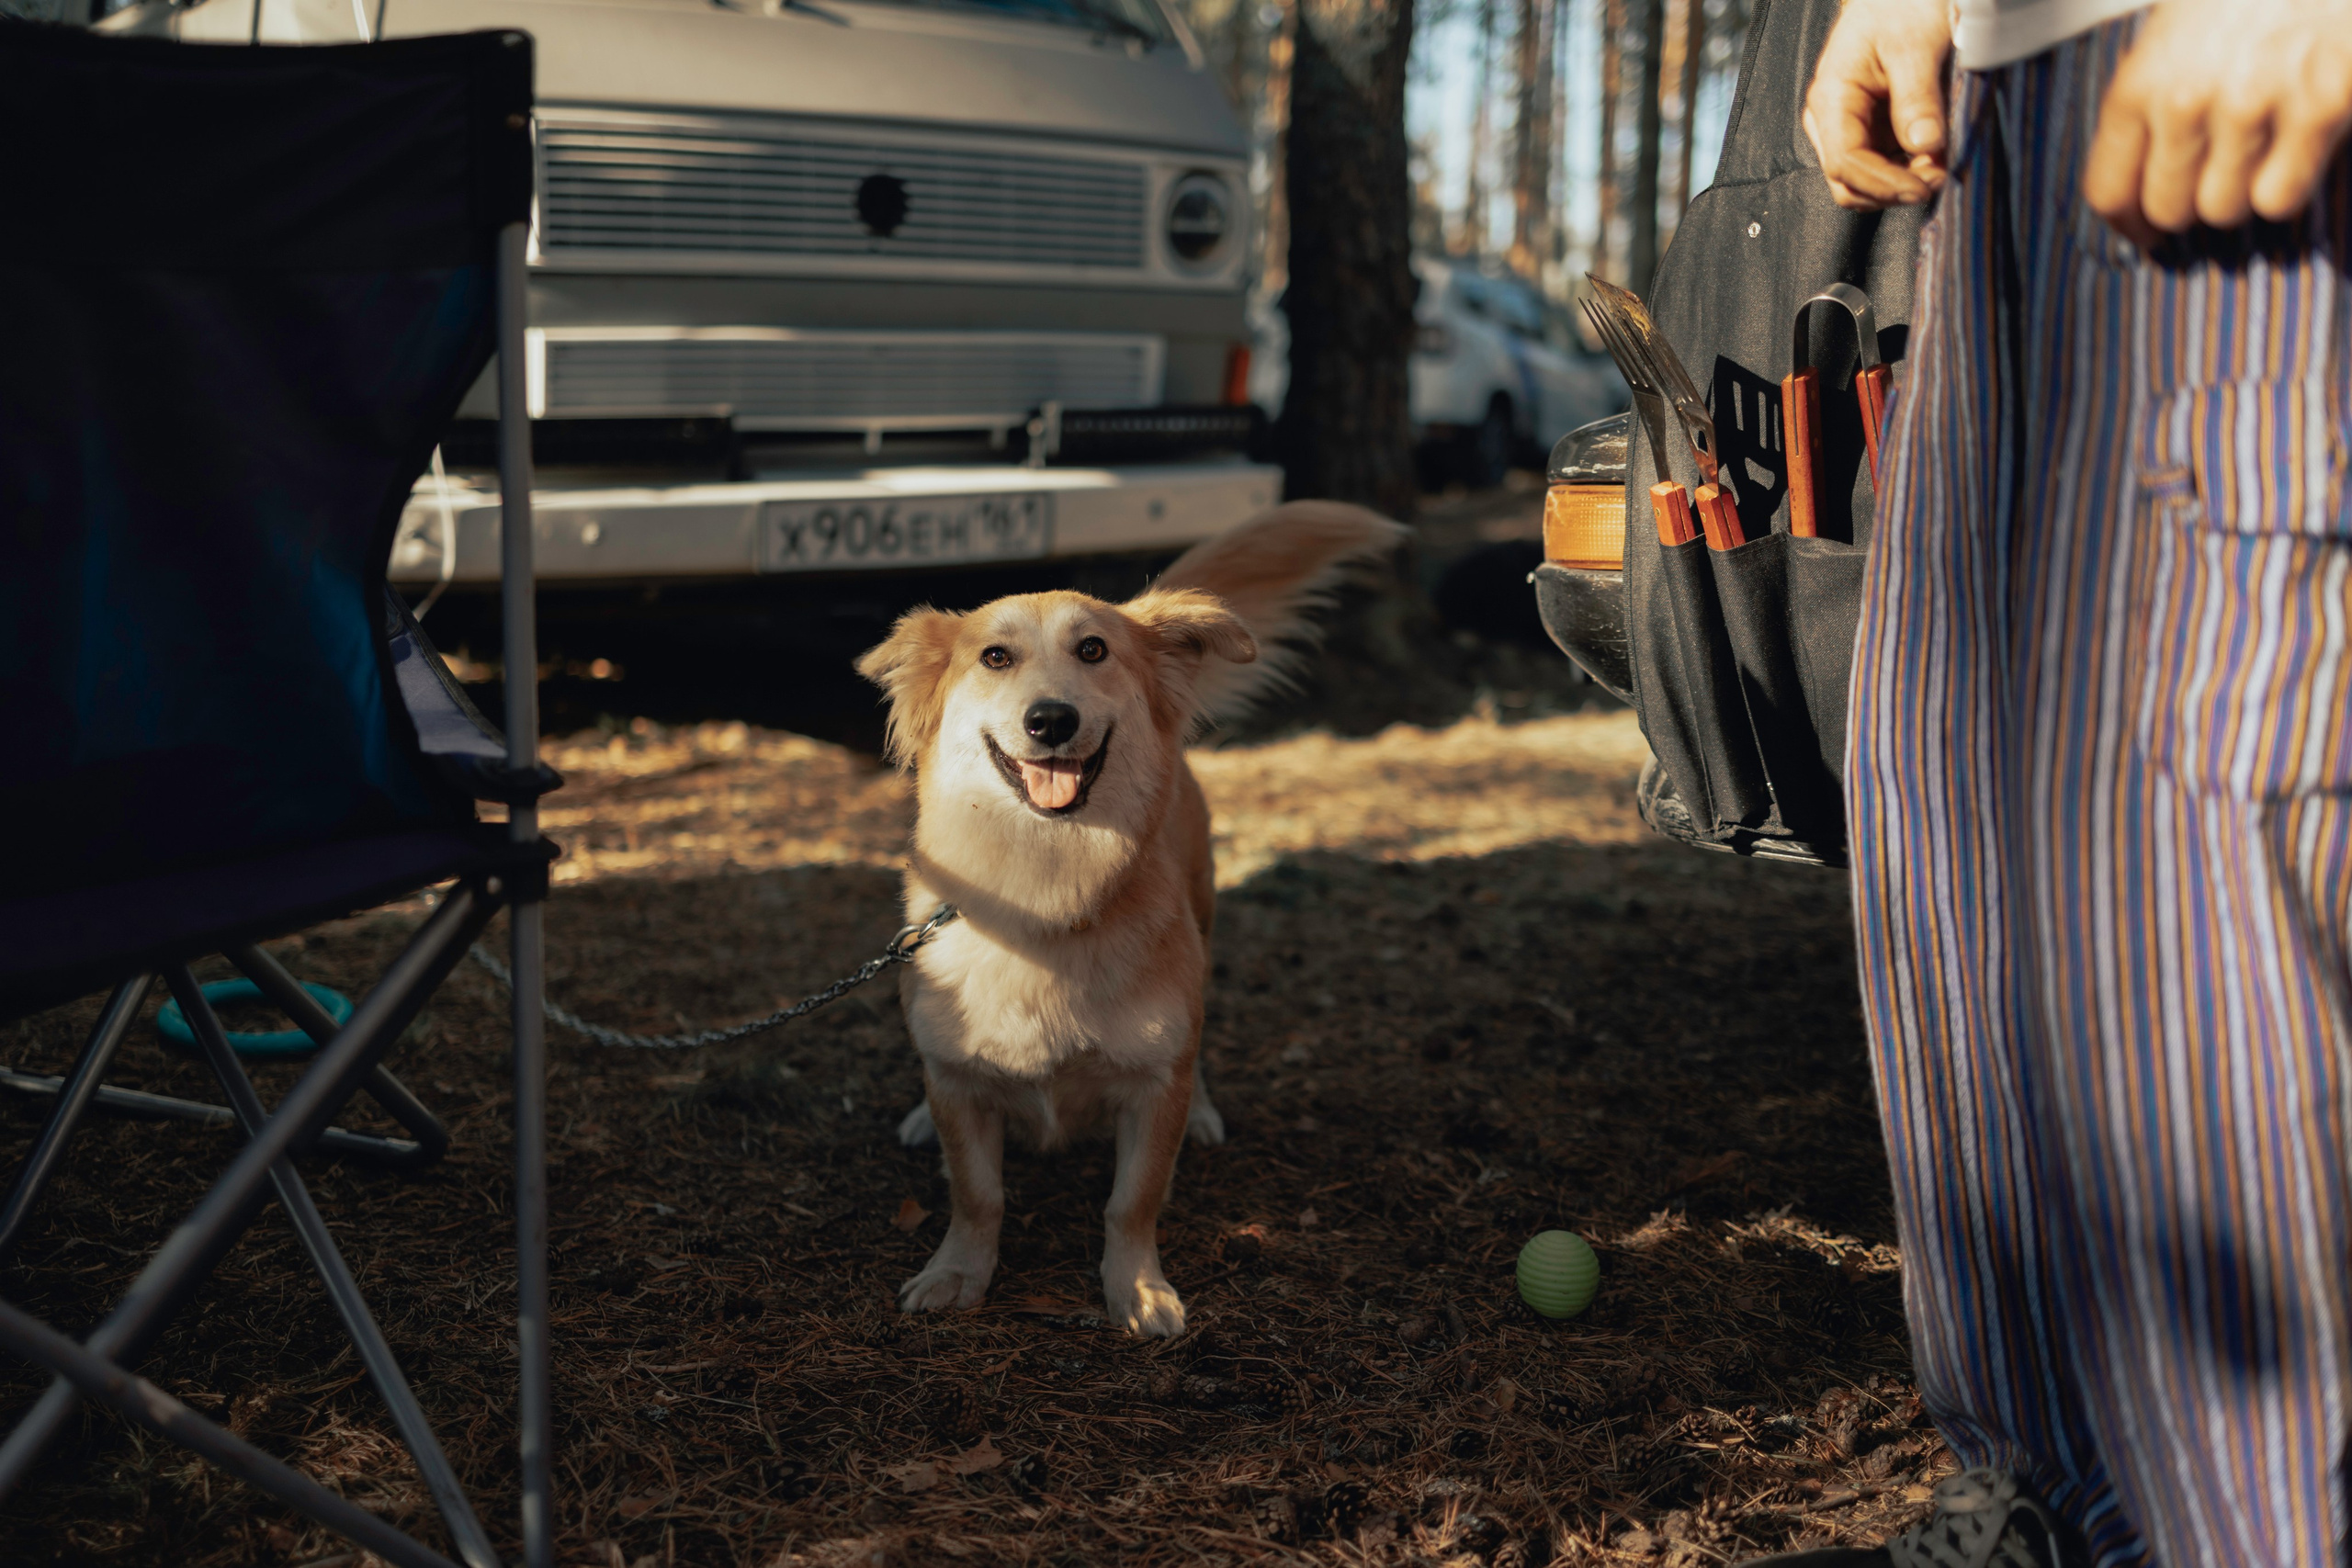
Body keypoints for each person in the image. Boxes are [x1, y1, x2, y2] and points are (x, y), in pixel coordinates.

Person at [1764, 2, 2352, 1565]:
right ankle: (2054, 1505)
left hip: (2243, 91)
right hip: (2006, 115)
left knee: (2209, 893)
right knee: (1959, 828)